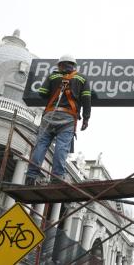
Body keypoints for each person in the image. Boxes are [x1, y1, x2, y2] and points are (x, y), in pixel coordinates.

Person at [25, 55, 92, 185]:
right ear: (73, 66)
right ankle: (56, 178)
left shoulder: (53, 76)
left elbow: (42, 93)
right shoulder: (82, 78)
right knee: (62, 147)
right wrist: (86, 118)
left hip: (50, 115)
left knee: (41, 145)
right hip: (68, 117)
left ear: (60, 65)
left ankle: (31, 176)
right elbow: (86, 99)